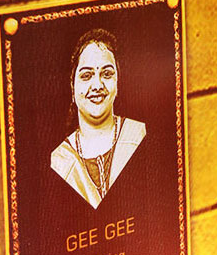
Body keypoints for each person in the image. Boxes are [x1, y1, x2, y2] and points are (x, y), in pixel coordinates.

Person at [50, 29, 146, 209]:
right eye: (86, 76)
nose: (97, 85)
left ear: (118, 82)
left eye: (107, 74)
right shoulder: (59, 160)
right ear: (72, 86)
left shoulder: (140, 134)